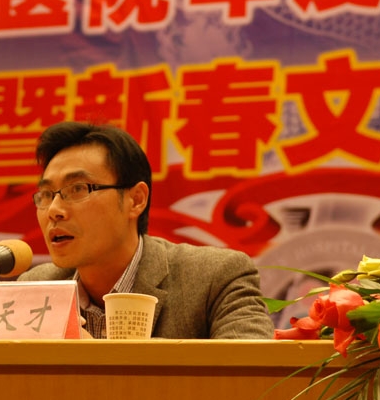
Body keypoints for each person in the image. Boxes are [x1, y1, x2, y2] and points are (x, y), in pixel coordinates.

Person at [18, 121, 274, 339]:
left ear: (136, 200)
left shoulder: (214, 277)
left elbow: (251, 372)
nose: (54, 210)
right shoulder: (35, 289)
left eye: (78, 189)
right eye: (46, 194)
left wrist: (96, 356)